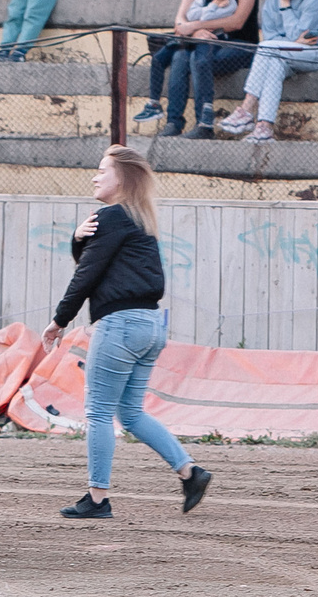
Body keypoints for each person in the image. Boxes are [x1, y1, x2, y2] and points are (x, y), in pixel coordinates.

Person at [41, 146, 210, 521]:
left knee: (98, 412)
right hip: (150, 327)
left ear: (122, 179)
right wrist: (78, 239)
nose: (95, 176)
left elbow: (86, 275)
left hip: (119, 327)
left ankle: (97, 499)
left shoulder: (111, 217)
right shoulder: (137, 219)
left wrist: (59, 320)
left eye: (103, 170)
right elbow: (97, 264)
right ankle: (190, 472)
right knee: (130, 414)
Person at [219, 0, 318, 142]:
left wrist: (285, 3)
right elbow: (270, 34)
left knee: (268, 49)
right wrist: (290, 41)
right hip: (283, 53)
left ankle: (246, 109)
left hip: (317, 53)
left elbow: (294, 35)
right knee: (273, 60)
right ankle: (264, 127)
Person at [140, 0, 258, 137]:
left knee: (197, 57)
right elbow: (182, 20)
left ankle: (204, 124)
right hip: (206, 42)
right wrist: (195, 29)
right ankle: (174, 121)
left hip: (236, 45)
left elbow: (235, 22)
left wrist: (195, 25)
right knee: (179, 56)